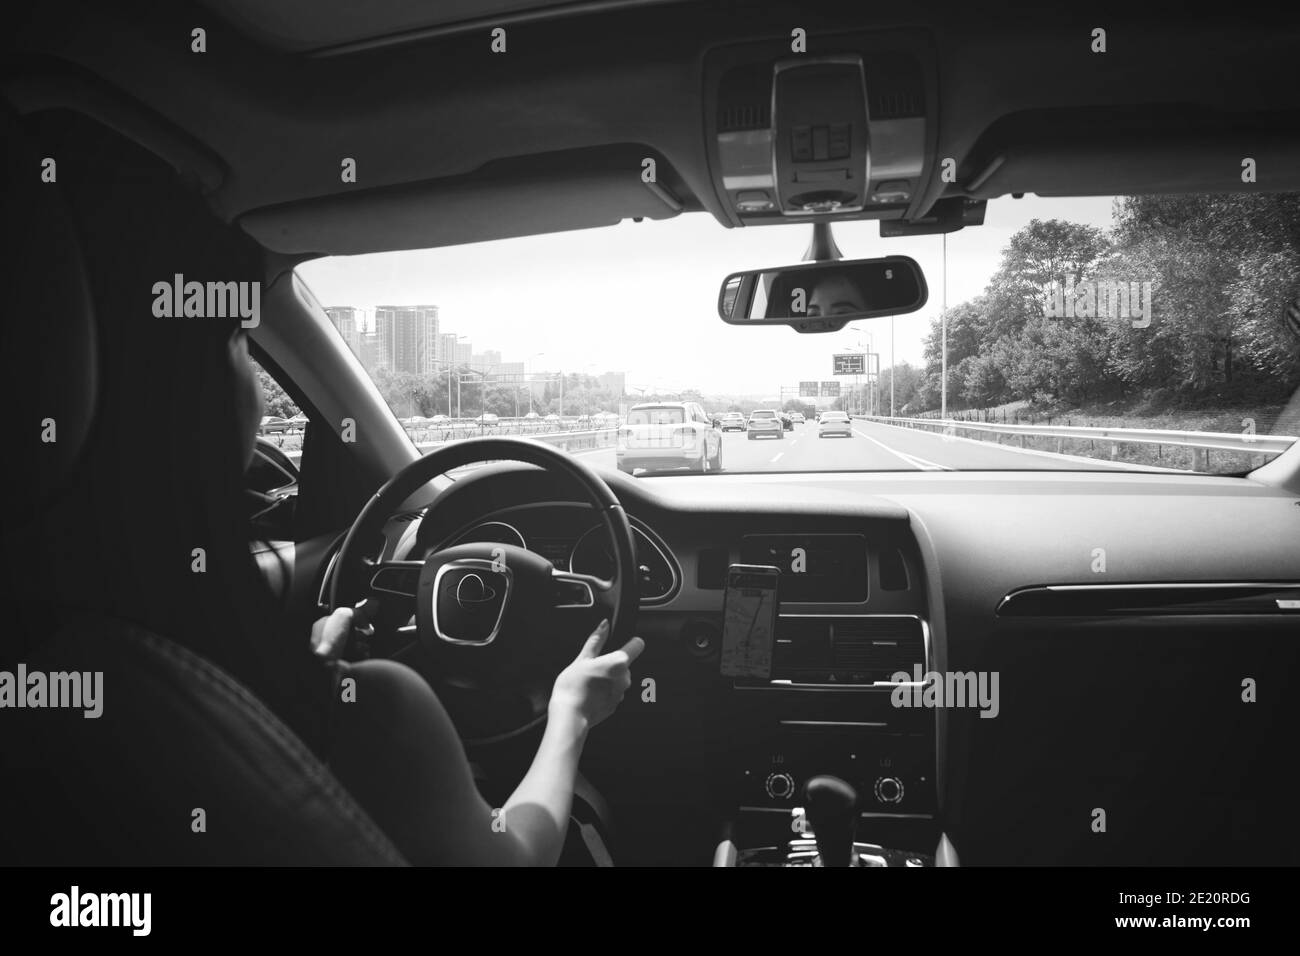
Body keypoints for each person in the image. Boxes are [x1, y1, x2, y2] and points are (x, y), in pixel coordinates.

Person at [15, 109, 644, 867]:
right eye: (241, 340)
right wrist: (572, 709)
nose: (249, 370)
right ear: (202, 393)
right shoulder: (364, 714)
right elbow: (517, 856)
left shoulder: (60, 668)